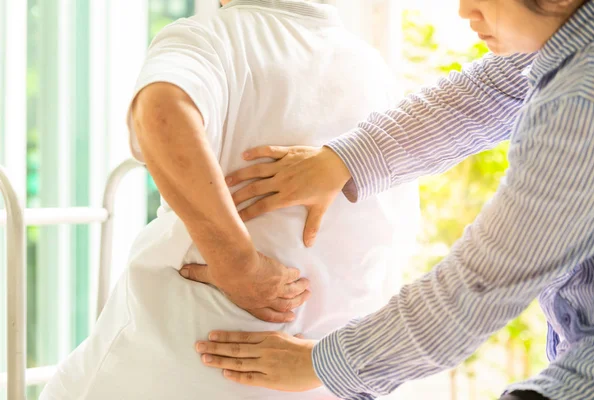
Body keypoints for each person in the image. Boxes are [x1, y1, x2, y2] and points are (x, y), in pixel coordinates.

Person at [190, 0, 594, 399]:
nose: (464, 10)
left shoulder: (585, 97)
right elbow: (487, 93)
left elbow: (485, 282)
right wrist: (342, 160)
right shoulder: (574, 39)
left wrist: (322, 364)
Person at [39, 0, 419, 399]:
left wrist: (238, 263)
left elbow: (160, 113)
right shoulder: (374, 70)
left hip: (198, 359)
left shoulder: (213, 36)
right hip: (320, 374)